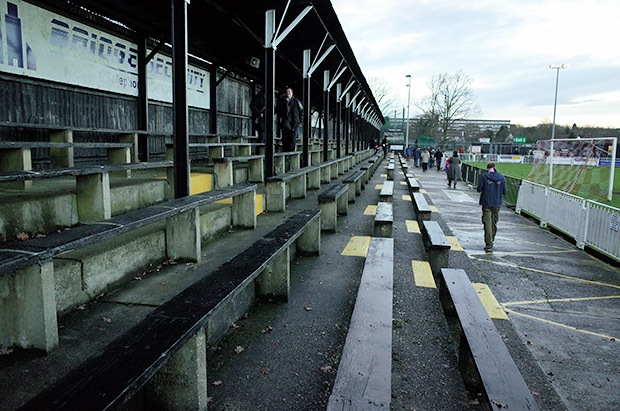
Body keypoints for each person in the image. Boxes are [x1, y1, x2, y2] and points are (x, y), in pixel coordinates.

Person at [476, 162, 507, 252]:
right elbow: (505, 191)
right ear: (495, 167)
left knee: (487, 223)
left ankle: (489, 243)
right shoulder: (501, 177)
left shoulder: (485, 177)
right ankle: (491, 239)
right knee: (494, 223)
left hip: (486, 203)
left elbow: (479, 189)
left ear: (487, 168)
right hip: (497, 203)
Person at [276, 87, 304, 152]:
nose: (288, 93)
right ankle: (285, 154)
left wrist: (300, 120)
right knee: (285, 139)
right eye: (287, 91)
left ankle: (290, 154)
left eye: (289, 91)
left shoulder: (296, 101)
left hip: (294, 124)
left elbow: (302, 110)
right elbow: (277, 110)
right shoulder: (282, 101)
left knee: (292, 140)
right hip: (285, 124)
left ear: (292, 93)